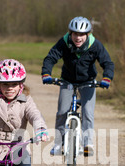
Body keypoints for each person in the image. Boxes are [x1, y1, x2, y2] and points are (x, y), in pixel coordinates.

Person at [42, 16, 114, 157]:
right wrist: (46, 73)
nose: (78, 38)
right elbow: (51, 58)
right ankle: (58, 144)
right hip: (67, 81)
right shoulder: (64, 42)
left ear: (87, 34)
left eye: (82, 34)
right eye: (75, 34)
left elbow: (107, 62)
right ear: (71, 33)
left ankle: (88, 144)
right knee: (62, 112)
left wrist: (107, 77)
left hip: (88, 82)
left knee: (87, 112)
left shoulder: (95, 45)